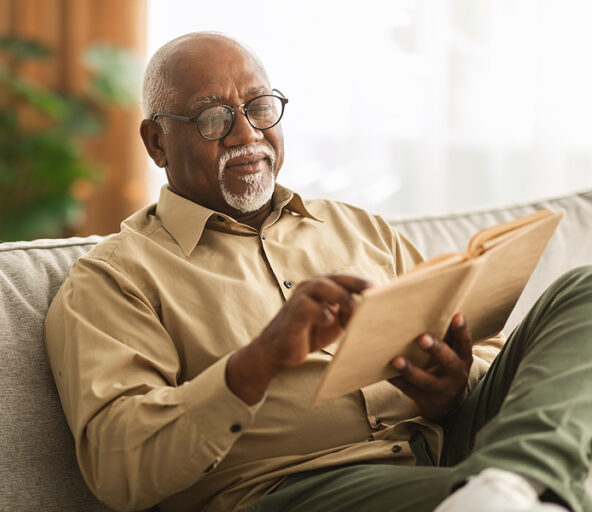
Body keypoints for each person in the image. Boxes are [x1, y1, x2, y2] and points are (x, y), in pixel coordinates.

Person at [44, 32, 592, 512]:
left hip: (454, 449)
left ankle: (515, 483)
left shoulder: (356, 228)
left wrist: (453, 386)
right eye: (213, 117)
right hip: (294, 487)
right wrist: (258, 361)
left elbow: (484, 348)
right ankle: (526, 487)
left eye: (259, 106)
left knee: (584, 289)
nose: (245, 133)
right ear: (157, 142)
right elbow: (119, 468)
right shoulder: (116, 278)